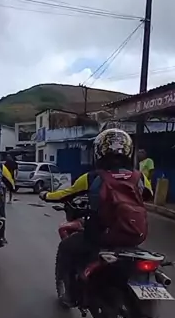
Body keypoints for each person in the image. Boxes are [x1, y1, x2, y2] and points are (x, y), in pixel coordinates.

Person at [41, 128, 153, 306]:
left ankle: (69, 294)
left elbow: (65, 194)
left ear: (99, 152)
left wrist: (46, 195)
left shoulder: (93, 177)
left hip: (102, 237)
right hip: (135, 235)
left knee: (66, 247)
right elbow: (148, 196)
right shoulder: (140, 177)